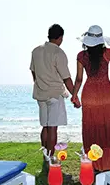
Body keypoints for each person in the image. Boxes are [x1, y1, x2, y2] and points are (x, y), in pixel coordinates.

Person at [71, 25, 110, 172]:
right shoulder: (108, 53)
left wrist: (74, 95)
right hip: (106, 93)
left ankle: (95, 162)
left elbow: (79, 79)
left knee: (93, 127)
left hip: (89, 94)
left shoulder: (81, 56)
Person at [30, 24, 78, 158]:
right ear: (60, 37)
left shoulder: (36, 51)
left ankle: (45, 155)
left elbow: (33, 72)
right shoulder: (58, 52)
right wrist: (75, 96)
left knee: (45, 126)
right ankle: (51, 157)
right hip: (55, 94)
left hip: (40, 93)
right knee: (52, 128)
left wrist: (39, 83)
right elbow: (66, 78)